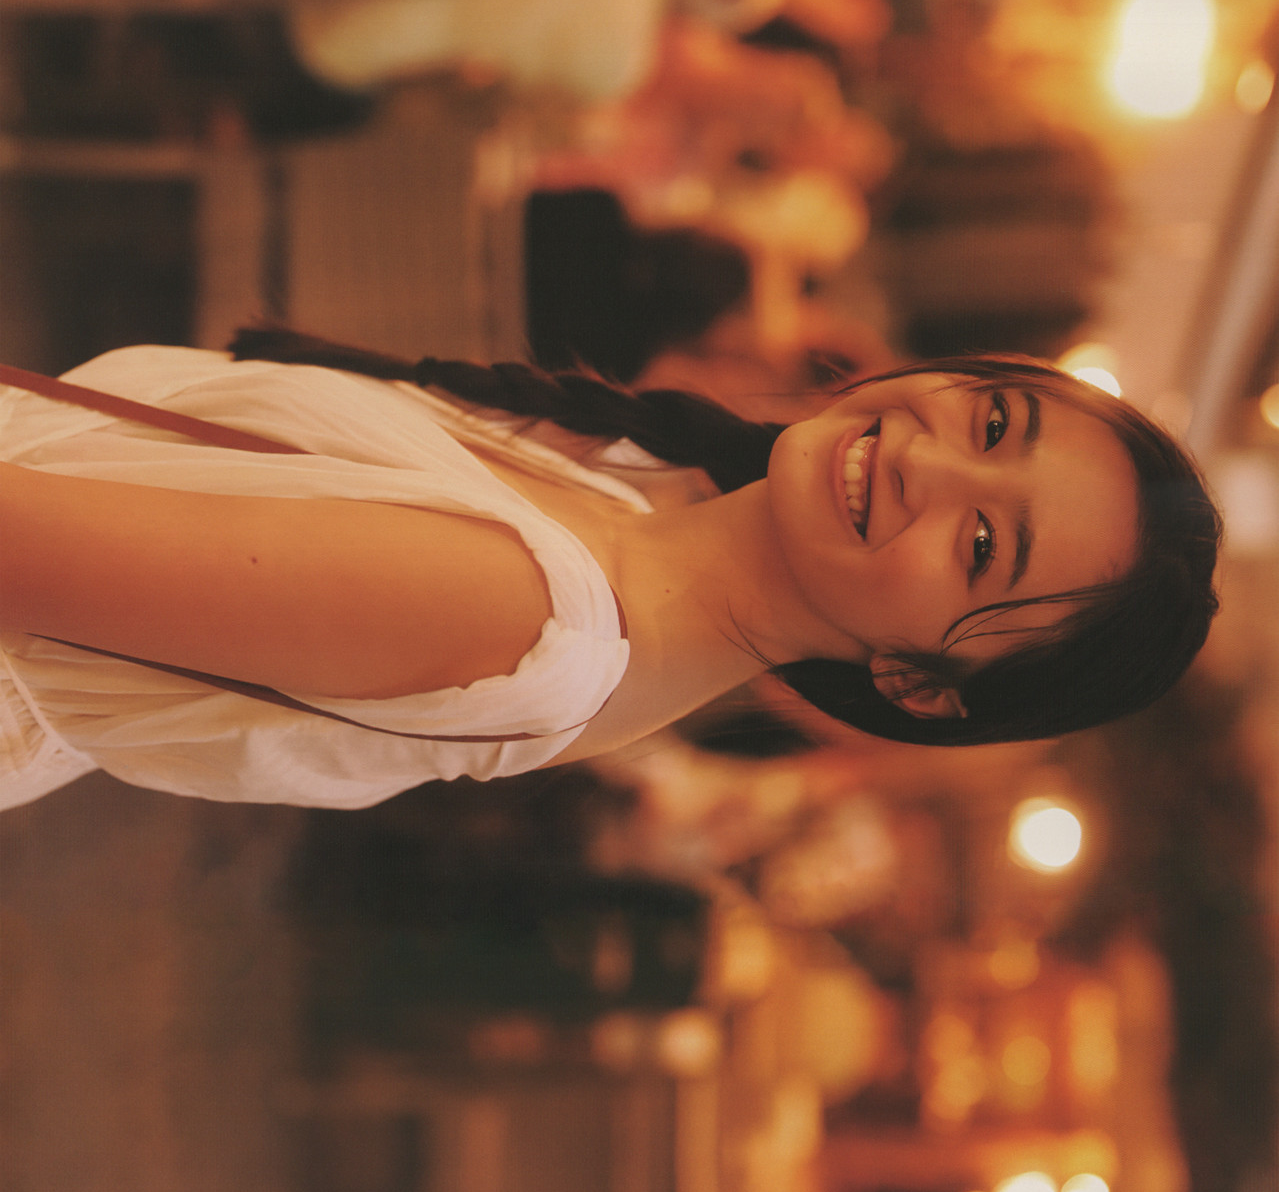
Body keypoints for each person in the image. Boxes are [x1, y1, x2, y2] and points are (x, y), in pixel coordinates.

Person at [0, 327, 1220, 812]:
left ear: (914, 681)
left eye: (982, 546)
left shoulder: (535, 613)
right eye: (993, 421)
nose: (928, 463)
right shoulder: (632, 496)